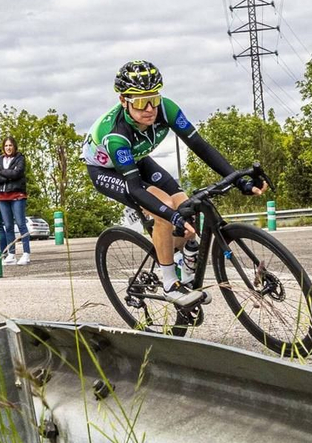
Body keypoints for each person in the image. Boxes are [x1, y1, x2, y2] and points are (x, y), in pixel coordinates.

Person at [83, 60, 260, 310]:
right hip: (107, 170)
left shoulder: (166, 109)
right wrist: (168, 215)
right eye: (140, 101)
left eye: (153, 98)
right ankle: (169, 284)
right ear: (123, 100)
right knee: (164, 210)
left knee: (186, 208)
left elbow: (201, 146)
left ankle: (185, 255)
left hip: (139, 159)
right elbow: (134, 187)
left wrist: (238, 178)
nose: (149, 108)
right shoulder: (115, 134)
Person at [0, 137, 32, 265]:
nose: (8, 148)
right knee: (8, 226)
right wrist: (6, 177)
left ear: (14, 146)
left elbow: (17, 173)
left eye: (10, 145)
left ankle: (26, 254)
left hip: (17, 195)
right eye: (6, 145)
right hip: (2, 196)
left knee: (21, 224)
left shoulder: (20, 158)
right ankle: (11, 254)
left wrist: (2, 172)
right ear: (3, 147)